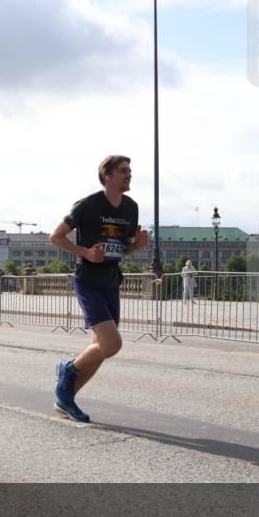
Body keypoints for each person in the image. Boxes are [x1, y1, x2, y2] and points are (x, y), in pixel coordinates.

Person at [49, 155, 149, 422]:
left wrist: (137, 245)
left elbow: (123, 249)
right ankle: (67, 370)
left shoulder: (131, 207)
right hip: (88, 280)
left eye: (130, 170)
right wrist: (84, 252)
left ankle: (65, 399)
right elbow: (55, 236)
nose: (129, 175)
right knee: (111, 344)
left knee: (101, 349)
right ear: (107, 175)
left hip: (111, 281)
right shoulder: (88, 205)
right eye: (123, 171)